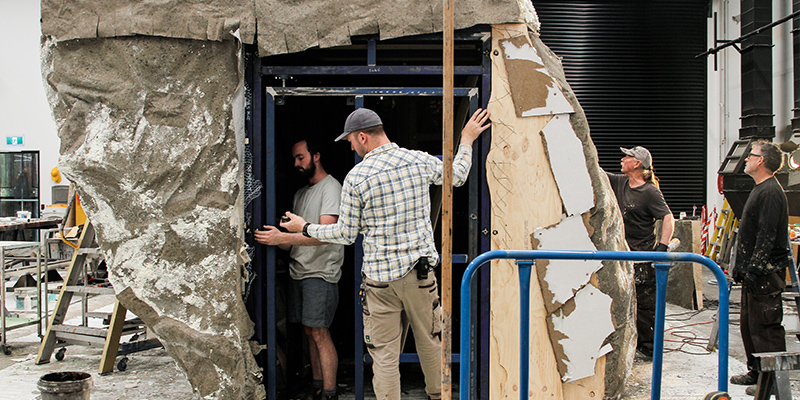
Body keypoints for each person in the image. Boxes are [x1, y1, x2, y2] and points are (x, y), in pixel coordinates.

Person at [281, 107, 491, 400]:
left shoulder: (357, 177)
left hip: (379, 284)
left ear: (363, 137)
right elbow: (457, 176)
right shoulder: (416, 160)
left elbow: (345, 234)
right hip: (419, 277)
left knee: (384, 357)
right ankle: (437, 396)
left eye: (351, 141)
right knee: (430, 344)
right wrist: (466, 139)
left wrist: (305, 227)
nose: (351, 147)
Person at [254, 137, 344, 400]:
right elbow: (295, 242)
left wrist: (282, 238)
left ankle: (330, 393)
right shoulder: (301, 194)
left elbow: (326, 235)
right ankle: (317, 386)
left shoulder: (332, 189)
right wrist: (275, 237)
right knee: (309, 332)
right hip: (299, 271)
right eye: (294, 158)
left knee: (319, 332)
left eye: (301, 157)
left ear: (316, 156)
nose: (296, 163)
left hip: (320, 272)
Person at [728, 140, 793, 388]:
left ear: (761, 161)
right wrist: (742, 268)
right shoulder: (760, 189)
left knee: (766, 327)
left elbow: (766, 236)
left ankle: (773, 381)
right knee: (750, 325)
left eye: (751, 155)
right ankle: (757, 372)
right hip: (755, 274)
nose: (746, 159)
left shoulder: (770, 193)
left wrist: (755, 269)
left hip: (765, 275)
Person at [606, 146, 674, 358]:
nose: (623, 159)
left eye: (628, 157)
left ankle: (649, 348)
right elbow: (596, 172)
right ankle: (628, 344)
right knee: (621, 301)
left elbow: (668, 218)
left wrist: (661, 248)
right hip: (621, 254)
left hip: (642, 256)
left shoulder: (649, 192)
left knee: (645, 305)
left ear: (637, 163)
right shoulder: (620, 182)